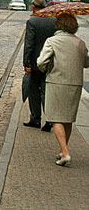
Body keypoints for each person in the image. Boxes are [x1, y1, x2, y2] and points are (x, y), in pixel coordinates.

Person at [37, 13, 89, 166]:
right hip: (75, 84)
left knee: (55, 118)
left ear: (58, 25)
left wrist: (48, 69)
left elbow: (41, 62)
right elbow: (86, 63)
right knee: (68, 118)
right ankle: (62, 149)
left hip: (56, 82)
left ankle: (65, 153)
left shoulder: (52, 41)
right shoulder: (80, 43)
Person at [23, 0, 56, 131]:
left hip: (36, 62)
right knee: (46, 91)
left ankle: (35, 119)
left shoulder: (33, 21)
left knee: (34, 91)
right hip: (49, 62)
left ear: (34, 7)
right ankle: (49, 120)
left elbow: (29, 44)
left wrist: (26, 62)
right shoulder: (54, 21)